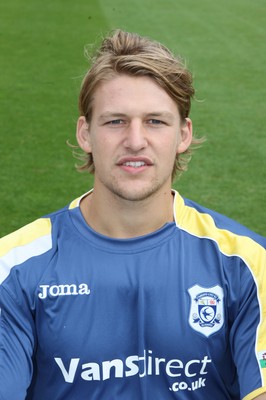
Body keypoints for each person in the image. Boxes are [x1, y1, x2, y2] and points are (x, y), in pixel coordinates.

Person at [0, 29, 265, 400]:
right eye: (115, 121)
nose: (136, 140)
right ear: (85, 134)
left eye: (155, 121)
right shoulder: (12, 268)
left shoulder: (249, 263)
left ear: (183, 135)